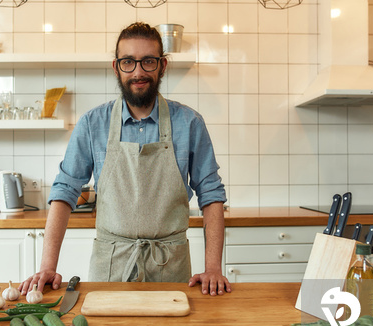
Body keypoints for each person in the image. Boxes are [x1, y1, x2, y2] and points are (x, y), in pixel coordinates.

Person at [18, 22, 231, 296]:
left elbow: (211, 195)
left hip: (171, 269)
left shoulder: (190, 123)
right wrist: (47, 266)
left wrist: (213, 267)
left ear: (163, 66)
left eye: (148, 62)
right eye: (128, 62)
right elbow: (65, 192)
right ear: (116, 67)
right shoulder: (92, 124)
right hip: (110, 268)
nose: (138, 72)